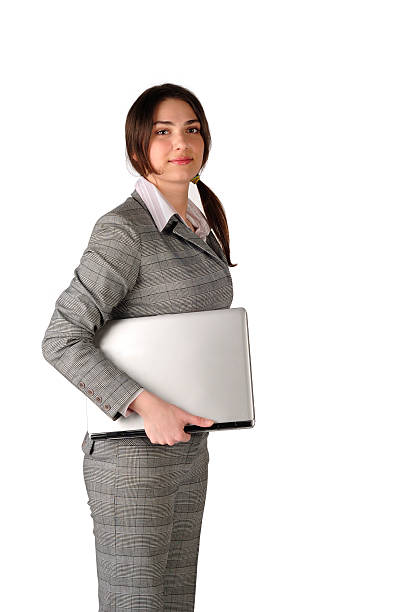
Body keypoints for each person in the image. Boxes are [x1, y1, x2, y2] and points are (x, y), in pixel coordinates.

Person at [41, 82, 237, 611]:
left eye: (192, 129)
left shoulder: (198, 224)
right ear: (137, 148)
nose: (182, 142)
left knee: (174, 604)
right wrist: (145, 405)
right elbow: (62, 338)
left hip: (188, 448)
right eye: (163, 131)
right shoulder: (124, 230)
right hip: (132, 458)